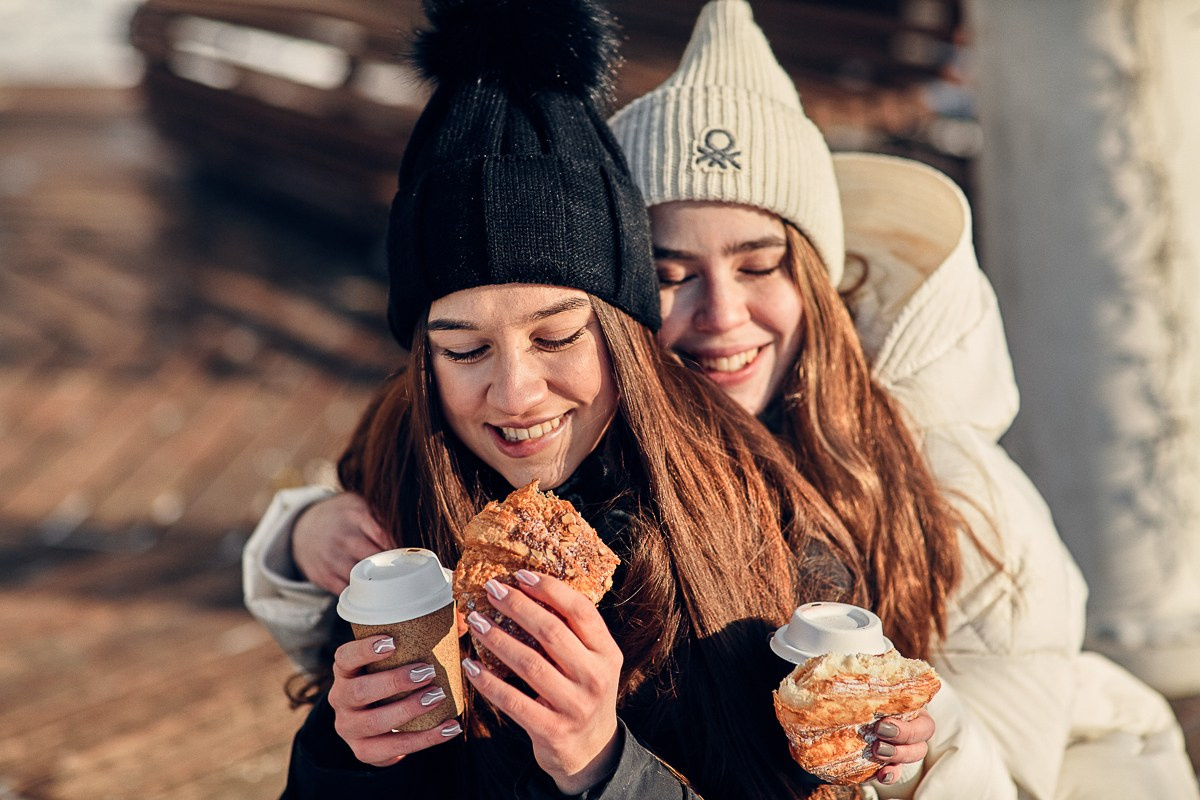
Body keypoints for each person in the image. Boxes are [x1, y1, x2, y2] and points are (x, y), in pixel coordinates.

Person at [247, 1, 1195, 797]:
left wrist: (920, 744)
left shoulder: (837, 521)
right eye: (669, 275)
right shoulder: (409, 486)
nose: (718, 317)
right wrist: (344, 742)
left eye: (557, 334)